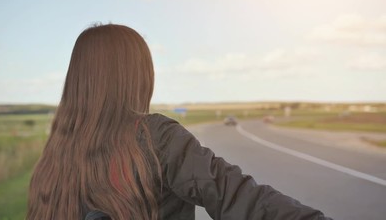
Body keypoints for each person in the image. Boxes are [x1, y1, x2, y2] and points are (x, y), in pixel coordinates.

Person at [26, 24, 332, 220]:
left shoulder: (54, 158)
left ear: (79, 81)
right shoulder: (154, 136)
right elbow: (237, 197)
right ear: (135, 78)